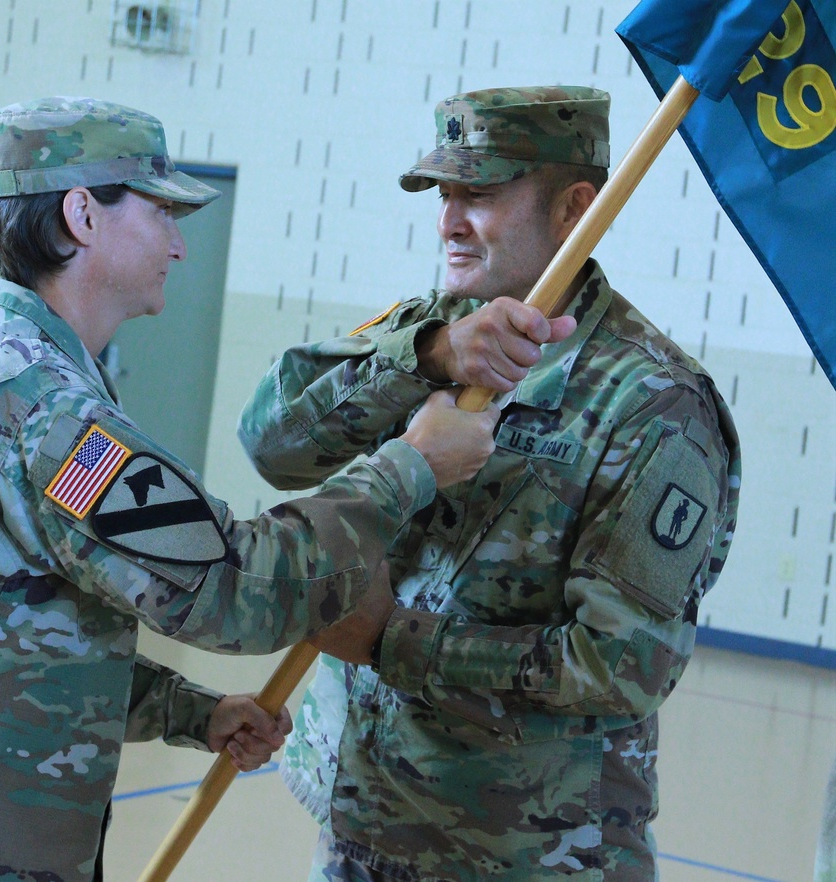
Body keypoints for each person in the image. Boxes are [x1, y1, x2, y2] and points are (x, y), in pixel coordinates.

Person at [0, 97, 504, 882]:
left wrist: (196, 713)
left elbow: (13, 635)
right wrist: (412, 466)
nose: (179, 245)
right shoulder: (40, 413)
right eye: (160, 212)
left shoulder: (7, 370)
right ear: (82, 215)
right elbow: (234, 588)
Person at [239, 86, 742, 880]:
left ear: (575, 207)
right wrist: (428, 358)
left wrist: (383, 640)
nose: (447, 222)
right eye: (444, 195)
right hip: (368, 825)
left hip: (528, 851)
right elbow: (271, 442)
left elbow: (620, 666)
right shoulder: (426, 330)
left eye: (477, 194)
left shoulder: (653, 403)